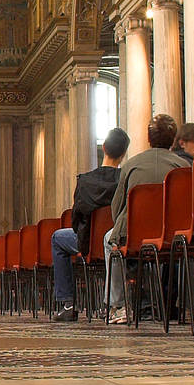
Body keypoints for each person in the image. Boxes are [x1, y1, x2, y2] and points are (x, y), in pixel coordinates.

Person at [107, 114, 188, 324]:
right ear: (172, 140)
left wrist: (123, 226)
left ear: (148, 138)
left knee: (109, 241)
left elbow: (116, 208)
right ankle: (193, 308)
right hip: (172, 234)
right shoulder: (183, 167)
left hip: (136, 234)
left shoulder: (131, 165)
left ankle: (119, 305)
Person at [48, 127, 129, 322]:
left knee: (58, 237)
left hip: (88, 243)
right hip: (117, 240)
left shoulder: (85, 181)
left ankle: (68, 304)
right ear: (124, 153)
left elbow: (77, 218)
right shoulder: (125, 179)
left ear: (104, 148)